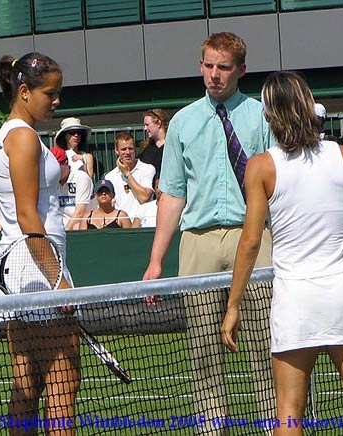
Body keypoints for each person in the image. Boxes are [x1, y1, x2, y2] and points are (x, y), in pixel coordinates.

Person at [221, 71, 343, 436]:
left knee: (289, 414)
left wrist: (233, 305)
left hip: (295, 301)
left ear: (268, 115)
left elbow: (250, 242)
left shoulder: (261, 166)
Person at [143, 32, 275, 434]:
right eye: (209, 66)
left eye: (224, 67)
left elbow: (279, 188)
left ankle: (276, 427)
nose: (215, 75)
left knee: (265, 346)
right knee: (202, 350)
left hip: (251, 238)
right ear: (200, 66)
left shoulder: (262, 116)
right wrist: (155, 261)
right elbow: (172, 195)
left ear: (241, 70)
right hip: (196, 242)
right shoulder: (182, 121)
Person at [0, 52, 80, 435]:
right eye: (50, 93)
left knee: (26, 386)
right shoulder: (23, 138)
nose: (57, 100)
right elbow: (29, 216)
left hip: (19, 266)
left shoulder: (10, 134)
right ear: (24, 91)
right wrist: (59, 280)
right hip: (36, 265)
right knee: (64, 384)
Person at [104, 131, 155, 220]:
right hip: (121, 225)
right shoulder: (110, 177)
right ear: (116, 150)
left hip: (143, 223)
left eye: (130, 148)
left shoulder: (147, 169)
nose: (127, 152)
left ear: (135, 149)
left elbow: (144, 198)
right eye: (123, 149)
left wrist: (127, 174)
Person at [49, 146, 94, 229]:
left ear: (65, 163)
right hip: (58, 227)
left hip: (81, 226)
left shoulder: (81, 177)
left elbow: (79, 213)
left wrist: (66, 233)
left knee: (77, 226)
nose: (52, 171)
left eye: (55, 167)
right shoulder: (50, 180)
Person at [138, 108, 169, 175]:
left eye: (147, 125)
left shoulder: (172, 145)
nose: (145, 128)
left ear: (159, 123)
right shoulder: (145, 149)